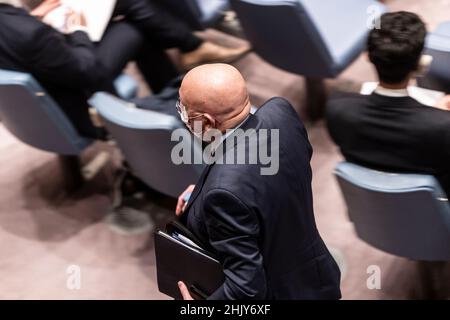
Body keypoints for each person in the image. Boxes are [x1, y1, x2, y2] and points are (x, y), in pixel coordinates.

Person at [174, 63, 341, 300]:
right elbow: (277, 175)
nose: (182, 115)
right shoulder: (281, 112)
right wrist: (207, 191)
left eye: (184, 109)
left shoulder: (224, 192)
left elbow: (246, 289)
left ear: (208, 123)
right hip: (316, 273)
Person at [0, 0, 250, 137]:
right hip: (76, 95)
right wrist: (78, 30)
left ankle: (178, 93)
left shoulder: (14, 21)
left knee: (131, 18)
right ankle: (175, 98)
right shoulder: (30, 34)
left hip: (47, 81)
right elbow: (84, 69)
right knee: (135, 28)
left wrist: (37, 16)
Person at [327, 11, 450, 197]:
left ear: (368, 56)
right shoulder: (442, 128)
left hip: (371, 210)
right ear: (421, 65)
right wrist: (437, 115)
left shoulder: (336, 109)